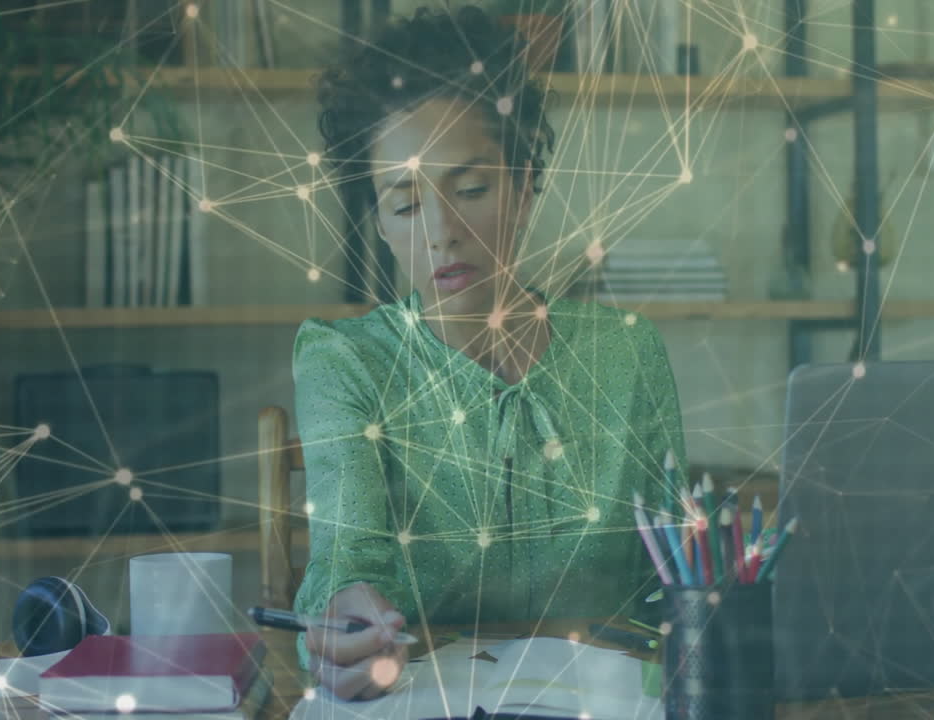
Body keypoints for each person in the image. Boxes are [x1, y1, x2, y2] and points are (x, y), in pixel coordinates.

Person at [291, 5, 688, 701]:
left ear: (525, 183)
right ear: (378, 224)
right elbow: (346, 559)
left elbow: (674, 584)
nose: (442, 231)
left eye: (470, 188)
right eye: (406, 205)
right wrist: (341, 620)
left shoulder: (627, 354)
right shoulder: (343, 362)